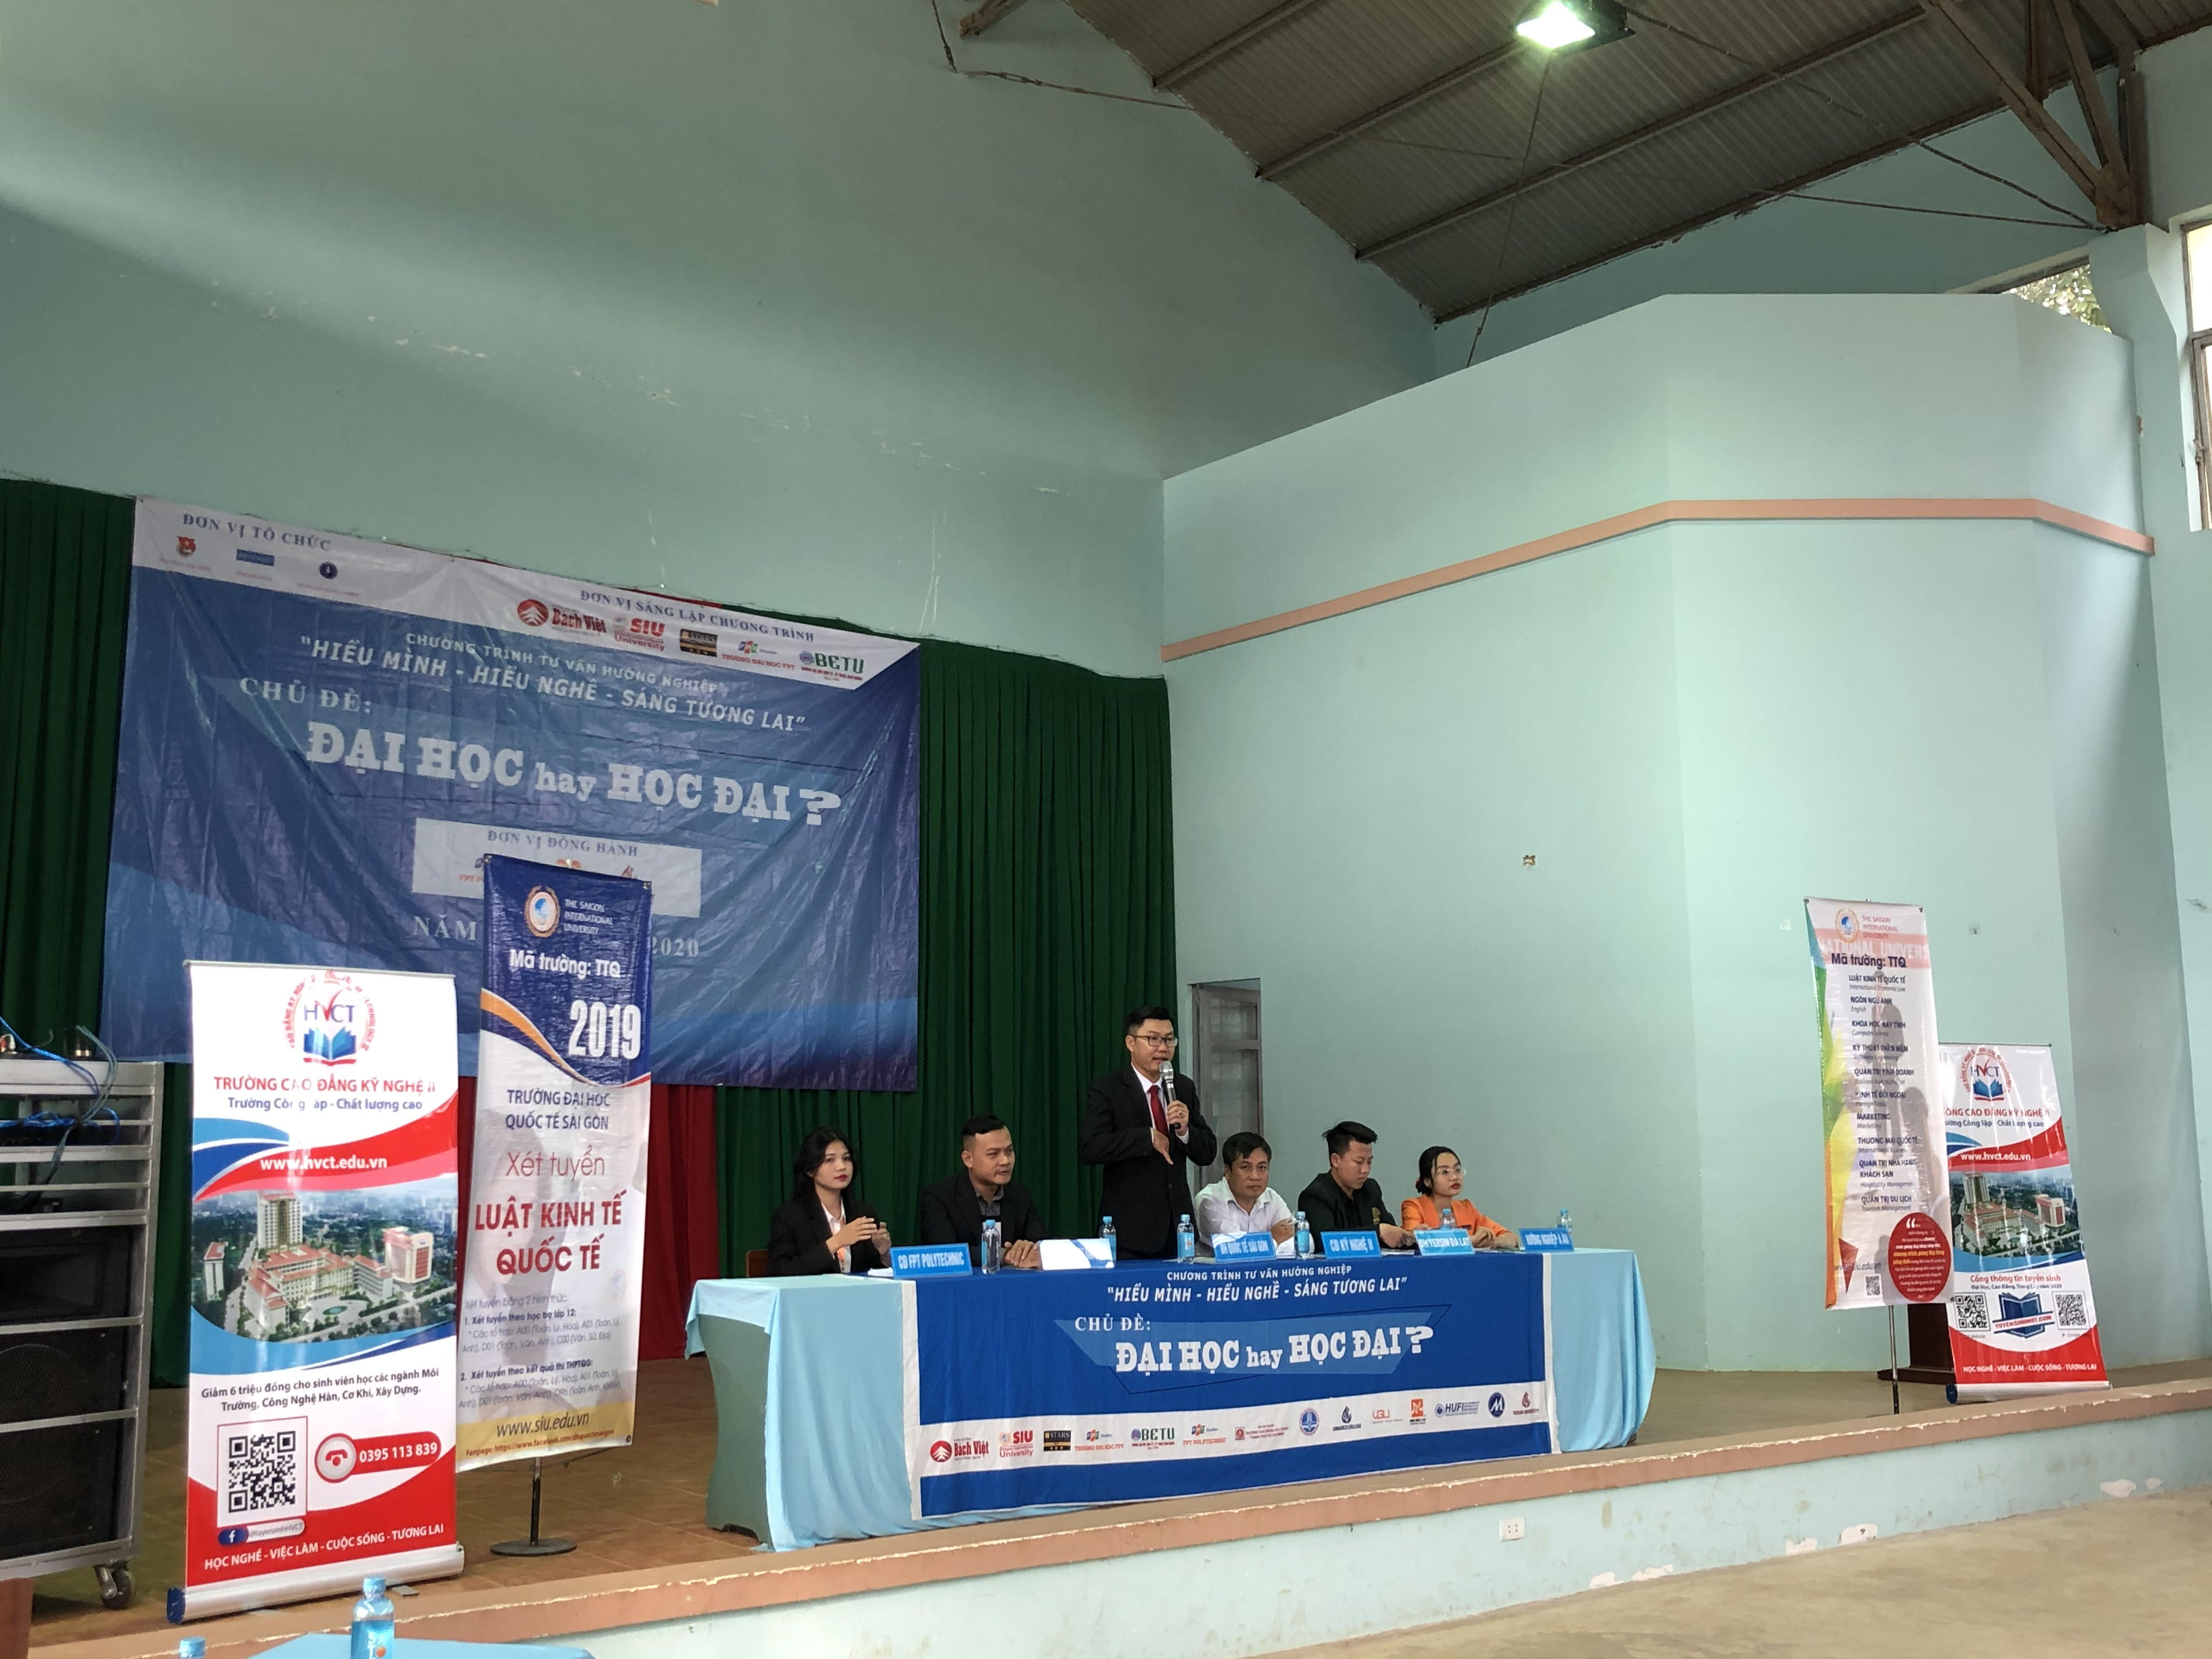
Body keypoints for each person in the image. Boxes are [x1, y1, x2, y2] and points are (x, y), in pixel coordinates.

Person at [1080, 1004, 1218, 1259]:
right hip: (1130, 1233)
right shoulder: (1108, 1090)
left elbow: (1207, 1153)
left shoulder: (1182, 1087)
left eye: (1169, 1039)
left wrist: (1186, 1131)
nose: (1163, 1048)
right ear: (1131, 1043)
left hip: (1179, 1229)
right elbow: (1091, 1147)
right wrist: (1147, 1137)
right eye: (1153, 1039)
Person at [917, 1114, 1046, 1268]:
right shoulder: (939, 1197)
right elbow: (947, 1253)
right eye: (993, 1154)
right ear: (968, 1159)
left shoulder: (1020, 1195)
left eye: (1009, 1151)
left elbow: (1041, 1244)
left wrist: (1028, 1250)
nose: (1005, 1161)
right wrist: (1003, 1255)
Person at [765, 1127, 891, 1275]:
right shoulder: (789, 1217)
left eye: (846, 1158)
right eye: (830, 1160)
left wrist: (884, 1253)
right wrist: (835, 1243)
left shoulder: (863, 1213)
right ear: (810, 1170)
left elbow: (875, 1273)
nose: (841, 1167)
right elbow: (781, 1272)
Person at [1297, 1120, 1412, 1248]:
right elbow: (1326, 1242)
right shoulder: (1314, 1196)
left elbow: (1390, 1233)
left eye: (1369, 1162)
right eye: (1359, 1162)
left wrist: (1411, 1237)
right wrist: (1378, 1232)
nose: (1366, 1170)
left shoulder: (1371, 1189)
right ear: (1335, 1160)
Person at [1194, 1130, 1296, 1256]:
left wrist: (1265, 1245)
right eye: (1246, 1168)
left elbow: (1304, 1243)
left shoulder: (1272, 1198)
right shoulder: (1210, 1201)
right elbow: (1236, 1249)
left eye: (1262, 1168)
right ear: (1227, 1171)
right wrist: (1273, 1238)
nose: (1255, 1176)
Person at [1400, 1145, 1517, 1249]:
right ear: (1427, 1181)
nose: (1455, 1177)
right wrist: (1470, 1241)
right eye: (1445, 1172)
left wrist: (1492, 1242)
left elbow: (1512, 1238)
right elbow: (1415, 1239)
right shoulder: (1414, 1206)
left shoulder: (1466, 1208)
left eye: (1457, 1170)